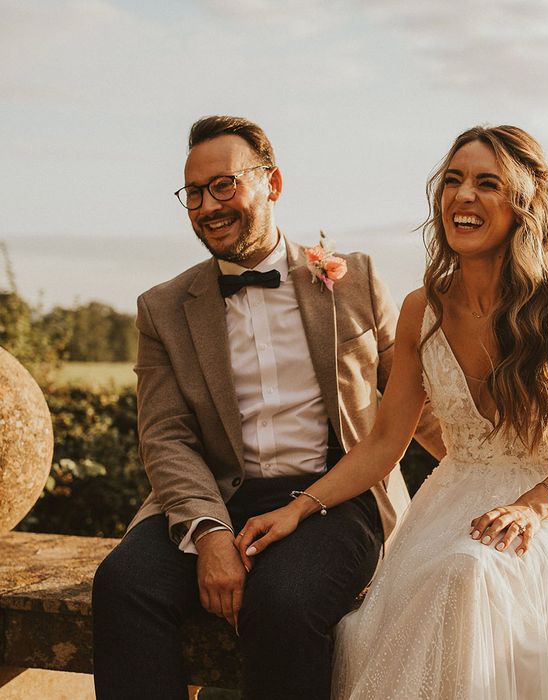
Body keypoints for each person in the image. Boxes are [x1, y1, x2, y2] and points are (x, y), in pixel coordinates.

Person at [234, 125, 548, 699]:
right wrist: (299, 509)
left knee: (473, 574)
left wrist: (532, 510)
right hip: (448, 509)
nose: (463, 196)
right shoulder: (421, 309)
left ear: (522, 203)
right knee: (438, 585)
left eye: (487, 183)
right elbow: (384, 443)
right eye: (453, 180)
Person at [91, 115, 444, 700]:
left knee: (283, 601)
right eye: (194, 194)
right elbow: (166, 437)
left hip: (334, 497)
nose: (208, 206)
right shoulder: (163, 308)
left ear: (272, 183)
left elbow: (415, 398)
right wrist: (208, 534)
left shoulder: (355, 279)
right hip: (215, 496)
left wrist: (490, 473)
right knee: (123, 584)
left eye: (224, 185)